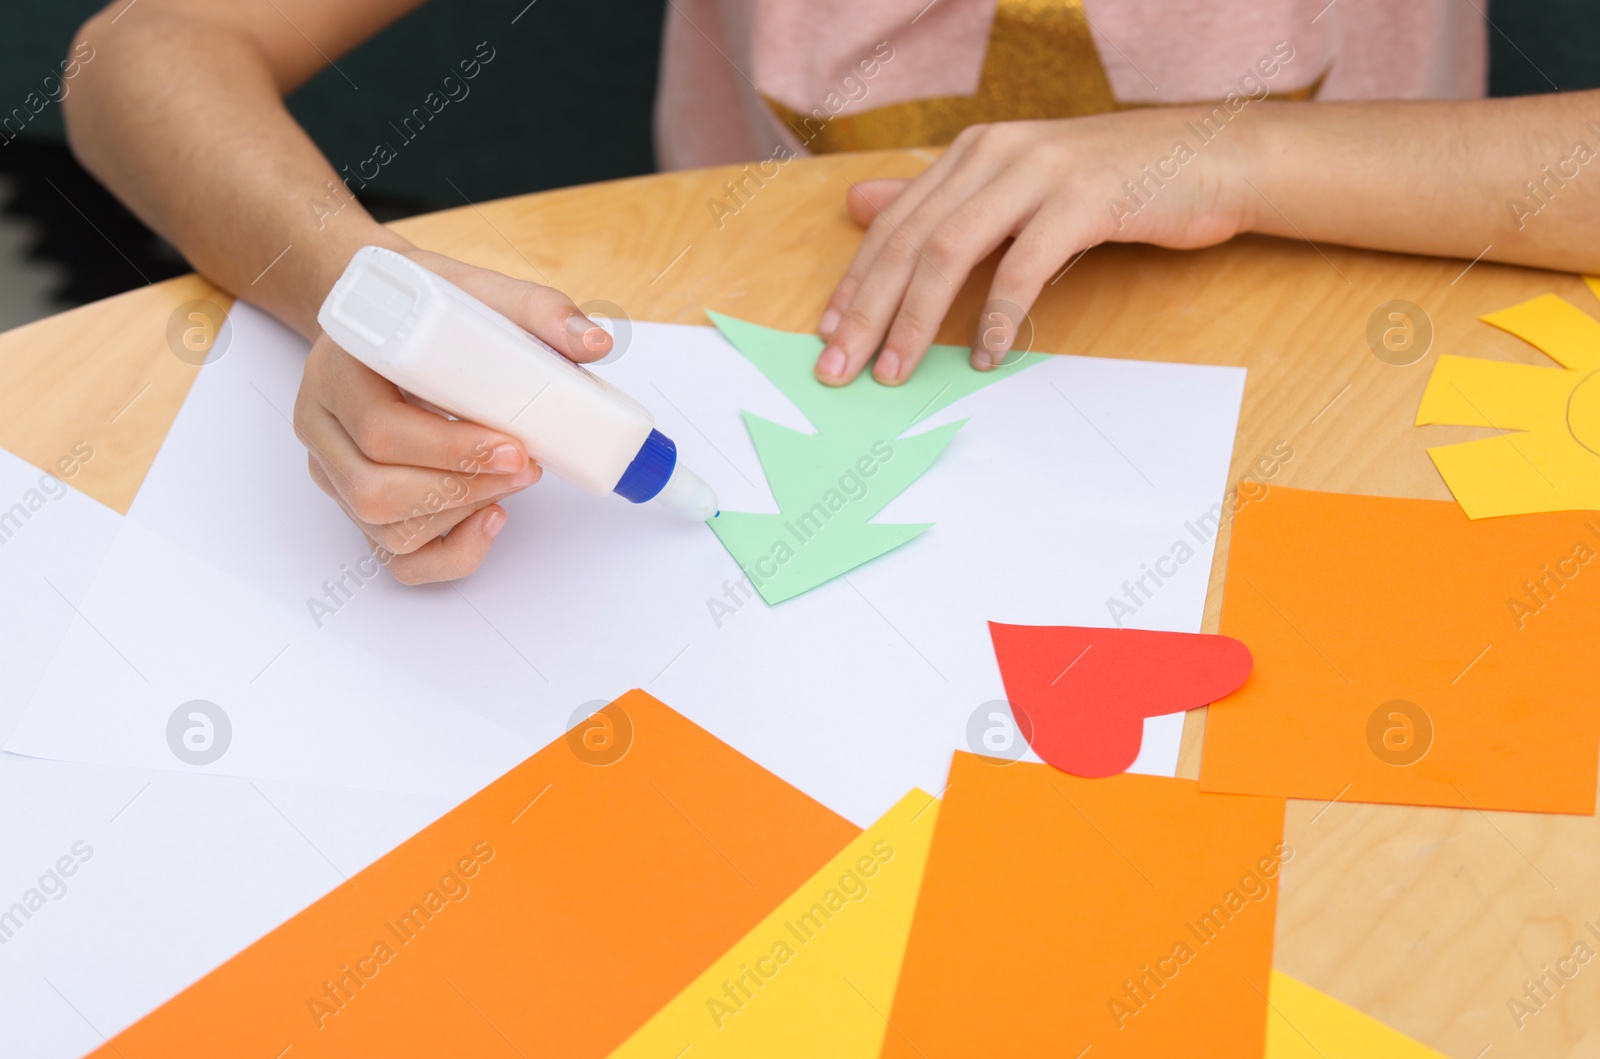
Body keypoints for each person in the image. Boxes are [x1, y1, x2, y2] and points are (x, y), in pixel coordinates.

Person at [64, 0, 1599, 583]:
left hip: (1379, 395)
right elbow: (143, 57)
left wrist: (1250, 160)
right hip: (795, 344)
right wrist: (349, 283)